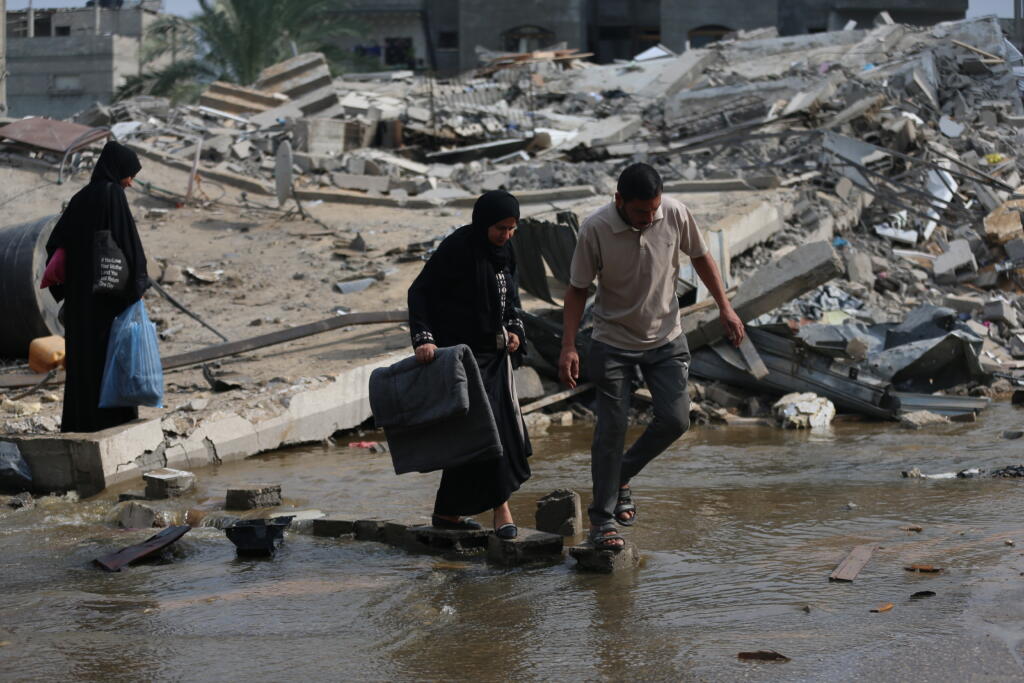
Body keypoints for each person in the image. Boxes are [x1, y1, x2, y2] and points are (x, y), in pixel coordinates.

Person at [558, 163, 745, 549]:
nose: (649, 218)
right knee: (610, 428)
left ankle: (620, 476)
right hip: (611, 340)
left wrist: (725, 307)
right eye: (641, 211)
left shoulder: (673, 212)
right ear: (619, 201)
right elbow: (577, 289)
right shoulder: (595, 228)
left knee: (676, 420)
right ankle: (602, 522)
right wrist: (569, 345)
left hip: (666, 337)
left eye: (653, 210)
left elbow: (701, 257)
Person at [407, 190, 532, 539]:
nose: (506, 235)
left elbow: (511, 300)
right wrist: (424, 338)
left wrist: (514, 330)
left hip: (495, 358)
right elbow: (420, 292)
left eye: (512, 229)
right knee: (487, 432)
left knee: (485, 434)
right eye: (500, 229)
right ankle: (501, 509)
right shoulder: (458, 248)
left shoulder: (506, 251)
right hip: (462, 357)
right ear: (482, 224)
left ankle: (447, 512)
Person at [45, 140, 149, 433]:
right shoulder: (112, 194)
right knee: (110, 357)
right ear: (118, 171)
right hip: (106, 298)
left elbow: (54, 245)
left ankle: (80, 423)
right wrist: (137, 285)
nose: (130, 181)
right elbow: (128, 243)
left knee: (82, 361)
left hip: (79, 300)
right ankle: (113, 422)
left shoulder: (81, 198)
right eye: (130, 174)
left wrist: (71, 286)